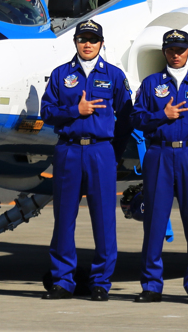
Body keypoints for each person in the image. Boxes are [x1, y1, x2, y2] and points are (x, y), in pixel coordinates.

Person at [40, 19, 133, 301]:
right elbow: (47, 112)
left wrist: (113, 153)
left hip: (100, 151)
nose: (88, 44)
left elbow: (126, 118)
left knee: (104, 219)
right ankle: (63, 281)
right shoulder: (60, 75)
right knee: (64, 218)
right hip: (68, 150)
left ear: (101, 43)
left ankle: (100, 282)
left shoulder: (115, 76)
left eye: (93, 39)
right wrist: (74, 110)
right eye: (83, 39)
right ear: (75, 42)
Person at [131, 29, 188, 305]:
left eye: (180, 49)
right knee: (155, 222)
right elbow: (137, 118)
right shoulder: (150, 83)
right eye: (170, 49)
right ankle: (152, 285)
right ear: (164, 52)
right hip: (159, 154)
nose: (175, 54)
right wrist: (162, 115)